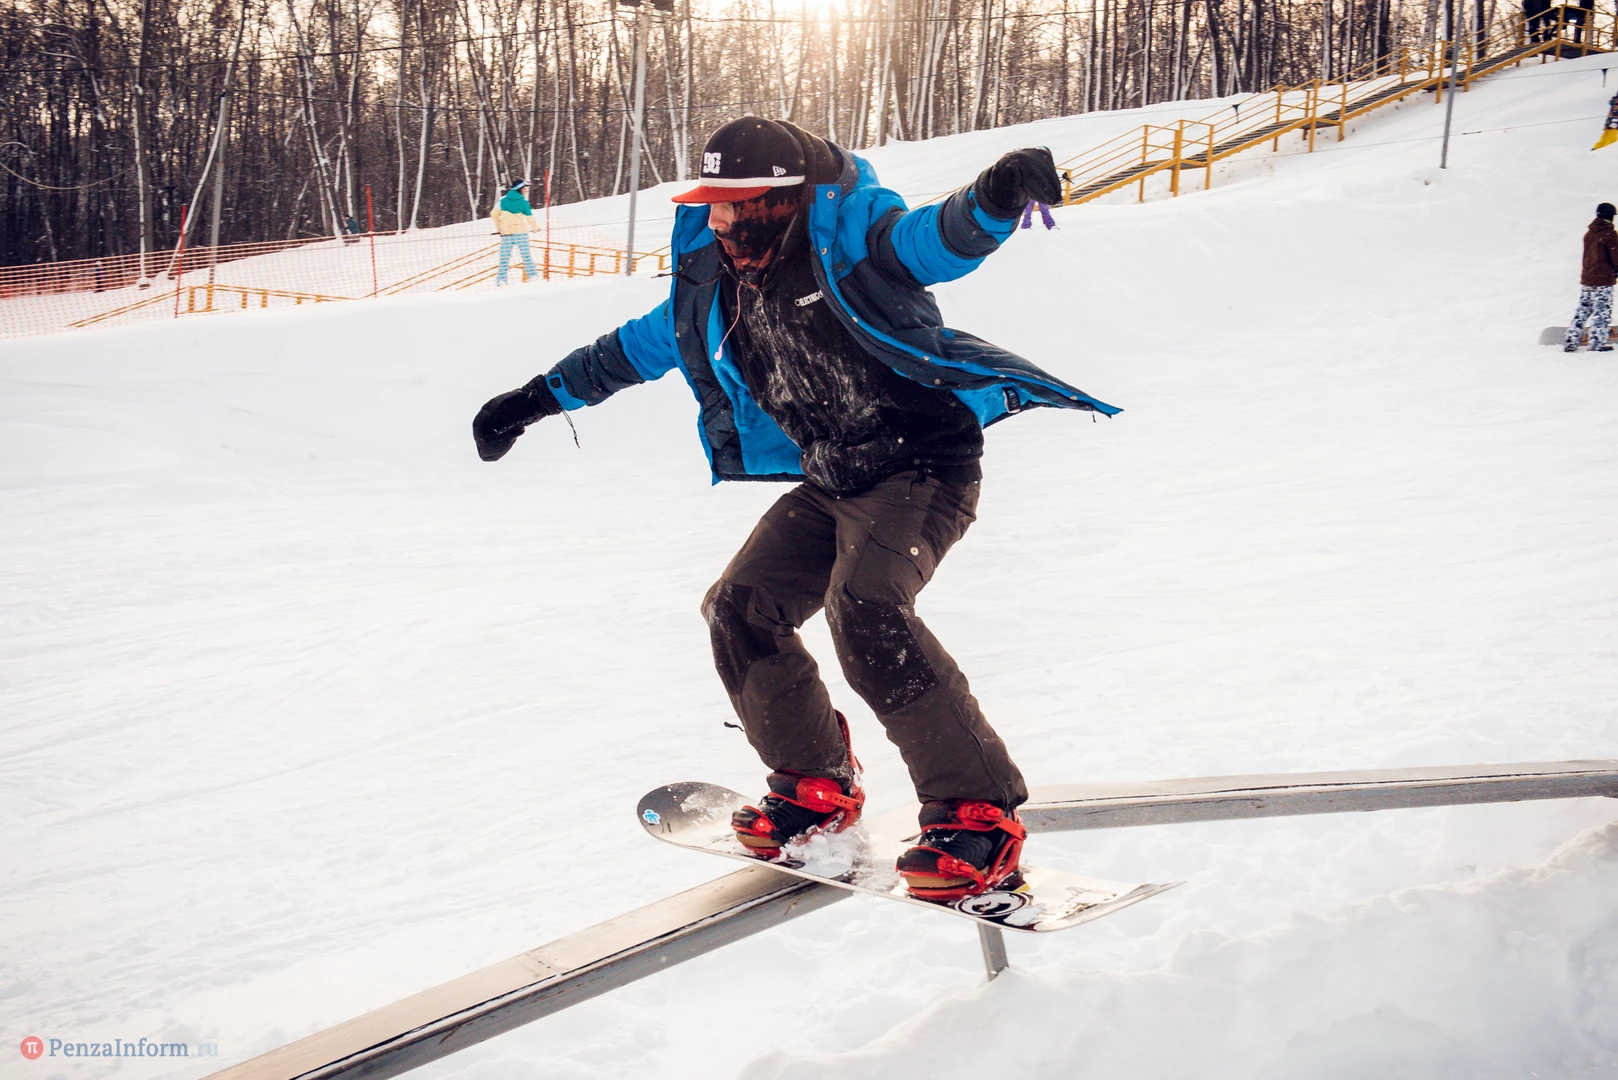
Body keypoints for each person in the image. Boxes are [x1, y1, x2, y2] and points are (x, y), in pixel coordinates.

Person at [472, 117, 1117, 900]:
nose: (718, 222)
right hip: (833, 478)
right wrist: (530, 402)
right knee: (739, 608)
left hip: (922, 465)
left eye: (734, 206)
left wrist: (996, 196)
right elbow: (626, 353)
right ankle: (816, 787)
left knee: (867, 606)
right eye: (711, 206)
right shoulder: (714, 288)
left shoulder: (853, 241)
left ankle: (975, 810)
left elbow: (935, 241)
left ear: (782, 202)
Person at [1564, 201, 1618, 353]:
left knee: (1583, 309)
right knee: (1602, 312)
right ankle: (1597, 343)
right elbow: (1615, 257)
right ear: (1610, 216)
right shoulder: (1609, 234)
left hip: (1588, 279)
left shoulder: (1589, 234)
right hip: (1603, 280)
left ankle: (1571, 339)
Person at [491, 179, 540, 285]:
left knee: (504, 259)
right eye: (524, 189)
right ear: (519, 189)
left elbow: (493, 214)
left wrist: (499, 227)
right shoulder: (523, 202)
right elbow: (529, 217)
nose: (525, 191)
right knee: (526, 256)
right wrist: (535, 228)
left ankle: (501, 280)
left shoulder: (502, 201)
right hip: (521, 232)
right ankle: (532, 276)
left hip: (506, 234)